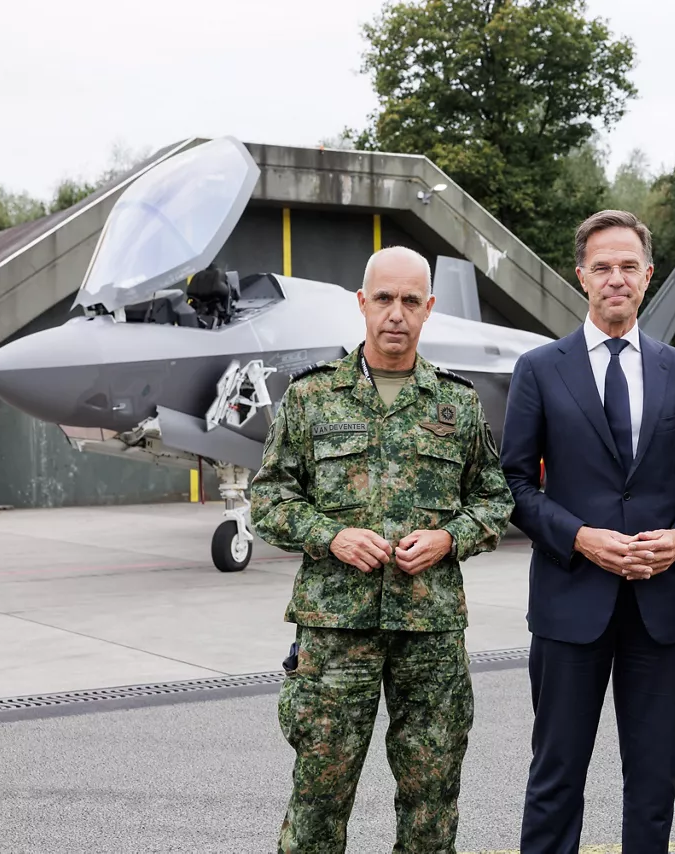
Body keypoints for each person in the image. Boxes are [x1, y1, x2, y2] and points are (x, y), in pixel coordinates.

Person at [250, 245, 514, 854]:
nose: (397, 313)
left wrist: (450, 537)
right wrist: (330, 536)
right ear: (362, 303)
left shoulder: (457, 403)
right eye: (385, 299)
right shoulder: (312, 398)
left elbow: (495, 501)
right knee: (318, 800)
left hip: (430, 631)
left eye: (410, 301)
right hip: (335, 632)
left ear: (429, 310)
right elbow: (269, 501)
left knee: (432, 801)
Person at [500, 210, 675, 853]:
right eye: (603, 267)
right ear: (582, 276)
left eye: (629, 266)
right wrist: (579, 538)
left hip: (664, 607)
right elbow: (514, 484)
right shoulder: (540, 369)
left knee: (654, 786)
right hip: (572, 604)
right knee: (556, 780)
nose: (616, 278)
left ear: (648, 276)